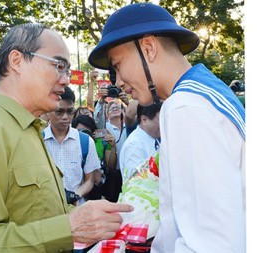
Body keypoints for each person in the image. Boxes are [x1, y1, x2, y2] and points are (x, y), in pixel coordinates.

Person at [0, 23, 133, 253]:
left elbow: (37, 214)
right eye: (58, 66)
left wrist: (85, 217)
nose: (66, 80)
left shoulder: (28, 129)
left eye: (66, 70)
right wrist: (69, 228)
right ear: (17, 61)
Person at [88, 3, 245, 253]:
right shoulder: (206, 93)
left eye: (117, 65)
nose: (117, 81)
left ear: (148, 48)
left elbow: (214, 243)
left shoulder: (184, 106)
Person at [44, 86, 101, 205]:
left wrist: (73, 196)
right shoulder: (38, 140)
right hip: (46, 209)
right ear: (48, 111)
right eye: (59, 112)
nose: (65, 117)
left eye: (70, 112)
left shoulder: (85, 141)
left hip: (77, 209)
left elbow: (89, 180)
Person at [119, 102, 162, 184]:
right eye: (161, 119)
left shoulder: (154, 139)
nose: (164, 123)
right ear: (144, 120)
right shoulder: (134, 145)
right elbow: (136, 182)